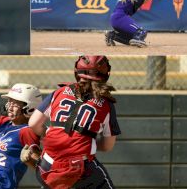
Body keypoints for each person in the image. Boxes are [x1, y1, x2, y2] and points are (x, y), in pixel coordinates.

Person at [27, 56, 121, 189]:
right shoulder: (106, 104)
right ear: (105, 74)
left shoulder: (58, 92)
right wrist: (86, 141)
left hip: (46, 167)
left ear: (77, 72)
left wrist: (52, 133)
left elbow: (33, 123)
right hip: (79, 170)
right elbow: (107, 146)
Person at [105, 0, 170, 47]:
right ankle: (137, 40)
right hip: (121, 17)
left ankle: (112, 35)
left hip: (115, 19)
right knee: (141, 33)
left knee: (132, 38)